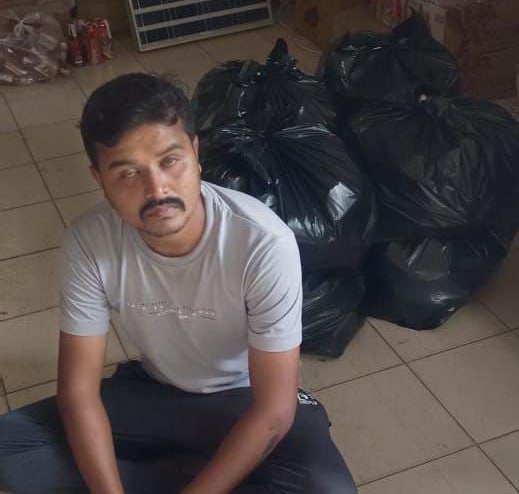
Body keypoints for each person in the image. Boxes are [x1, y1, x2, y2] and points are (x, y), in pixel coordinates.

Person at [0, 73, 357, 494]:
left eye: (170, 161)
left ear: (195, 152)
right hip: (155, 395)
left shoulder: (261, 242)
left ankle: (188, 473)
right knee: (9, 444)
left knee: (328, 489)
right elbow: (78, 393)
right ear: (99, 179)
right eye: (127, 173)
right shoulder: (89, 242)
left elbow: (274, 411)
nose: (157, 190)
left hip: (241, 402)